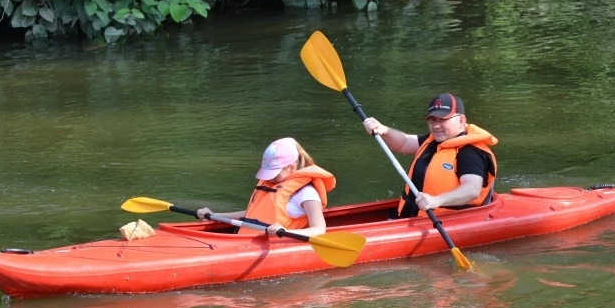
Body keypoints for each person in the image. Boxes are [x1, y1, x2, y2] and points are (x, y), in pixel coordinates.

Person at [362, 92, 498, 218]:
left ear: (461, 120)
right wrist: (383, 130)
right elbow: (403, 143)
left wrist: (436, 200)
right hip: (413, 216)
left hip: (448, 221)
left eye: (442, 119)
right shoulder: (434, 140)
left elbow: (472, 190)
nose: (436, 126)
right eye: (432, 120)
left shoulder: (470, 152)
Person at [196, 137, 335, 237]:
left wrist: (284, 231)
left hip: (276, 244)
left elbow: (318, 229)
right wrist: (214, 216)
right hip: (248, 240)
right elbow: (252, 214)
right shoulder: (272, 184)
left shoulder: (307, 193)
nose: (270, 178)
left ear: (291, 167)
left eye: (274, 173)